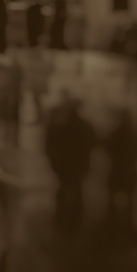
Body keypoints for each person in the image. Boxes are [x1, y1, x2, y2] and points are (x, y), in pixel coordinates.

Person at [43, 95, 98, 234]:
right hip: (71, 166)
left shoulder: (60, 125)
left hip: (69, 166)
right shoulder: (83, 126)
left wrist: (53, 160)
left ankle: (66, 220)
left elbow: (49, 145)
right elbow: (94, 142)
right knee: (73, 191)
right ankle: (70, 221)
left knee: (67, 191)